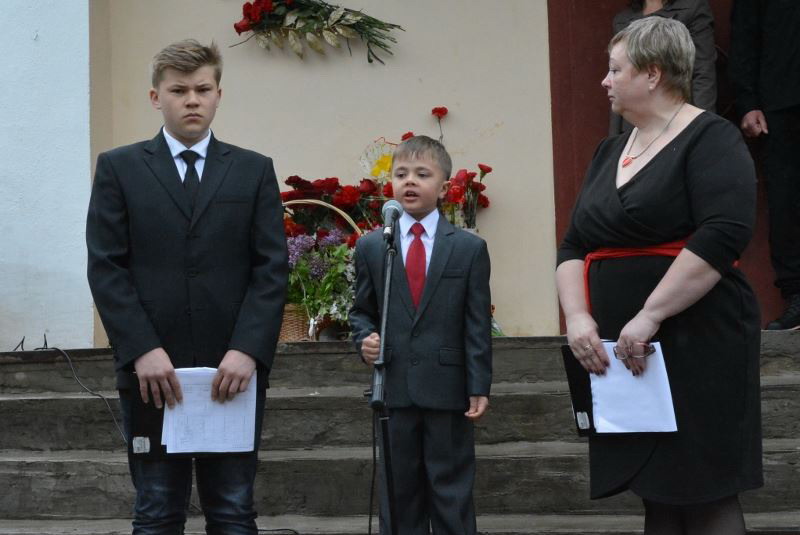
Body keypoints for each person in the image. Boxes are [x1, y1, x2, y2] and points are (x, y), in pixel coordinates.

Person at [556, 17, 762, 535]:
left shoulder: (711, 138)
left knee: (705, 488)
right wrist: (577, 317)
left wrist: (650, 314)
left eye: (615, 69)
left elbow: (723, 234)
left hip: (699, 338)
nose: (604, 81)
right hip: (623, 348)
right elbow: (574, 245)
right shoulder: (608, 151)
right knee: (657, 491)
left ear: (652, 74)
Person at [86, 39, 288, 534]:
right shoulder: (119, 168)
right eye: (179, 90)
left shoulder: (253, 170)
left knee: (234, 511)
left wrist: (247, 350)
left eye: (202, 89)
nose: (192, 100)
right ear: (156, 97)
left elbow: (270, 268)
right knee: (156, 511)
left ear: (219, 94)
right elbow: (107, 266)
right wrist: (141, 349)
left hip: (231, 372)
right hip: (152, 374)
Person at [349, 135, 492, 534]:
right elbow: (362, 312)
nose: (409, 181)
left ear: (444, 188)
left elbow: (476, 323)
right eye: (401, 174)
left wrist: (479, 384)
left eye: (422, 174)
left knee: (450, 491)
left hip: (447, 387)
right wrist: (365, 339)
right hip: (394, 387)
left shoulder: (467, 249)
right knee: (400, 492)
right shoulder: (373, 247)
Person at [729, 0, 800, 330]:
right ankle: (797, 294)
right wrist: (747, 101)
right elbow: (744, 34)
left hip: (779, 99)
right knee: (786, 203)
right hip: (781, 104)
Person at [610, 0, 717, 135]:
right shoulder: (622, 20)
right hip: (634, 124)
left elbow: (703, 73)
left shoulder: (692, 8)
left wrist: (704, 129)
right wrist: (615, 136)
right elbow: (617, 77)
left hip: (676, 120)